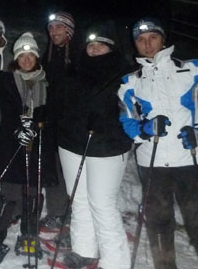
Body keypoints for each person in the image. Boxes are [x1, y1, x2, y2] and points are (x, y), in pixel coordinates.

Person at [118, 17, 198, 269]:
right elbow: (127, 120)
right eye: (141, 40)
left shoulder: (194, 69)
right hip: (153, 162)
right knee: (159, 223)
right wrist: (143, 130)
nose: (147, 44)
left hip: (193, 158)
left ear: (163, 39)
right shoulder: (130, 82)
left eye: (152, 37)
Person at [57, 22, 132, 268]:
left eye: (101, 45)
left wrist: (109, 119)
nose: (95, 49)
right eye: (91, 45)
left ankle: (114, 261)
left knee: (102, 203)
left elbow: (132, 110)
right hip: (71, 143)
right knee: (78, 198)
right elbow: (62, 103)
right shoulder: (75, 70)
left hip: (107, 147)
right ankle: (84, 249)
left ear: (112, 49)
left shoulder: (124, 74)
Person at [0, 32, 57, 263]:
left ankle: (29, 234)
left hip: (38, 144)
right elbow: (6, 110)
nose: (25, 59)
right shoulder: (7, 79)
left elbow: (50, 111)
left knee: (32, 193)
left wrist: (38, 126)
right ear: (16, 58)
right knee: (9, 194)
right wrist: (18, 129)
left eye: (30, 55)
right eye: (21, 55)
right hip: (12, 143)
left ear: (36, 57)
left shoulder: (47, 81)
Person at [39, 11, 76, 235]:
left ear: (69, 30)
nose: (54, 32)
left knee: (71, 169)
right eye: (51, 28)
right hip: (51, 121)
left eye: (59, 28)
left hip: (72, 123)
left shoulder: (79, 56)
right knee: (52, 168)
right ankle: (57, 212)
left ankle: (74, 213)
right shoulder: (49, 54)